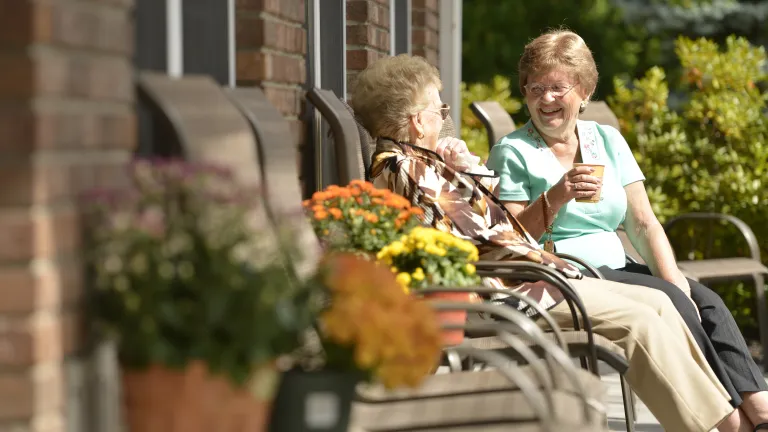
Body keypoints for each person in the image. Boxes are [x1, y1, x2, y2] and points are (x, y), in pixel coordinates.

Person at [351, 53, 738, 432]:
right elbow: (477, 241)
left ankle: (724, 422)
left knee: (659, 302)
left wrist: (462, 166)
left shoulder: (416, 161)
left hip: (522, 279)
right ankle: (721, 426)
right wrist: (545, 261)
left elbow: (478, 220)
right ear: (419, 122)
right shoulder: (406, 169)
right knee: (639, 322)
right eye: (440, 109)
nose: (445, 116)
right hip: (507, 291)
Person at [485, 29, 768, 432]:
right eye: (535, 88)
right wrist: (558, 195)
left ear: (583, 91)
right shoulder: (513, 152)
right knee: (673, 301)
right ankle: (732, 422)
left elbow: (642, 221)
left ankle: (760, 414)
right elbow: (512, 238)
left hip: (619, 266)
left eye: (557, 88)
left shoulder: (606, 139)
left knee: (705, 301)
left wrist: (671, 277)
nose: (545, 98)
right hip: (571, 273)